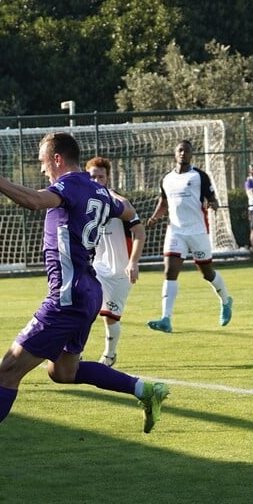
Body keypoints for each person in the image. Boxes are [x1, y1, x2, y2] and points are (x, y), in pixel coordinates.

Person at [0, 132, 170, 471]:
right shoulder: (99, 190)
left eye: (42, 164)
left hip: (66, 297)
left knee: (8, 370)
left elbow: (36, 201)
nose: (42, 172)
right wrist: (134, 222)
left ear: (57, 159)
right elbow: (125, 208)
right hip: (88, 290)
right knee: (63, 372)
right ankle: (145, 389)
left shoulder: (68, 186)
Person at [146, 140, 233, 332]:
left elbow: (212, 199)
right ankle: (165, 319)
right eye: (180, 150)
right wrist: (154, 218)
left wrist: (213, 205)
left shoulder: (200, 176)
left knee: (207, 273)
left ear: (191, 154)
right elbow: (164, 202)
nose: (183, 153)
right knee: (170, 272)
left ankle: (226, 300)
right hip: (175, 231)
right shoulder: (167, 179)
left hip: (197, 231)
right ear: (175, 154)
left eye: (186, 150)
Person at [85, 156, 146, 366]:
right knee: (83, 308)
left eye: (100, 176)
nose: (96, 180)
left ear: (107, 177)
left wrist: (133, 262)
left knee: (110, 316)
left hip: (120, 269)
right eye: (92, 176)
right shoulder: (87, 204)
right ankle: (72, 352)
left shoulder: (120, 203)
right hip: (96, 267)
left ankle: (110, 355)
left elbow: (139, 231)